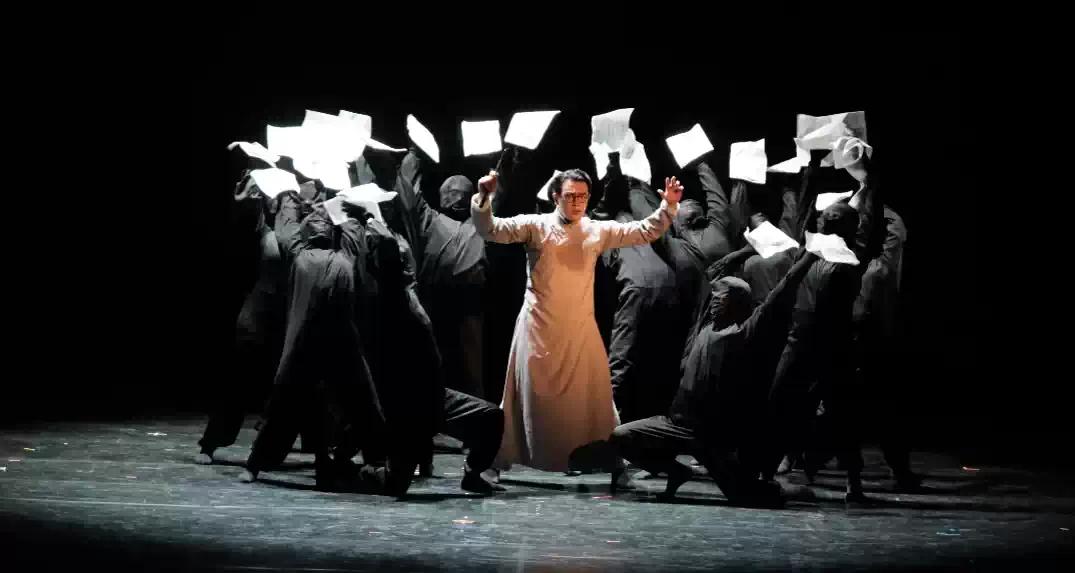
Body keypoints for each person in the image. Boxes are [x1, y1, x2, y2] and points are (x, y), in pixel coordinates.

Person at [472, 167, 683, 473]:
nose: (577, 202)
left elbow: (643, 230)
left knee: (593, 402)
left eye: (583, 197)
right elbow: (491, 229)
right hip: (539, 328)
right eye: (571, 196)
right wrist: (484, 197)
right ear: (555, 196)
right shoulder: (535, 225)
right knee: (525, 399)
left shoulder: (596, 230)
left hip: (579, 330)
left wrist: (668, 206)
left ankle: (610, 462)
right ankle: (496, 459)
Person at [608, 248, 819, 507]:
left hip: (713, 438)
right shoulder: (705, 326)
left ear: (737, 303)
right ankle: (677, 472)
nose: (716, 303)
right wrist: (735, 256)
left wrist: (808, 257)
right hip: (676, 425)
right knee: (621, 437)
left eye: (722, 299)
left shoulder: (746, 331)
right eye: (715, 298)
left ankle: (787, 491)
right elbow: (710, 278)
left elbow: (784, 289)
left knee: (752, 497)